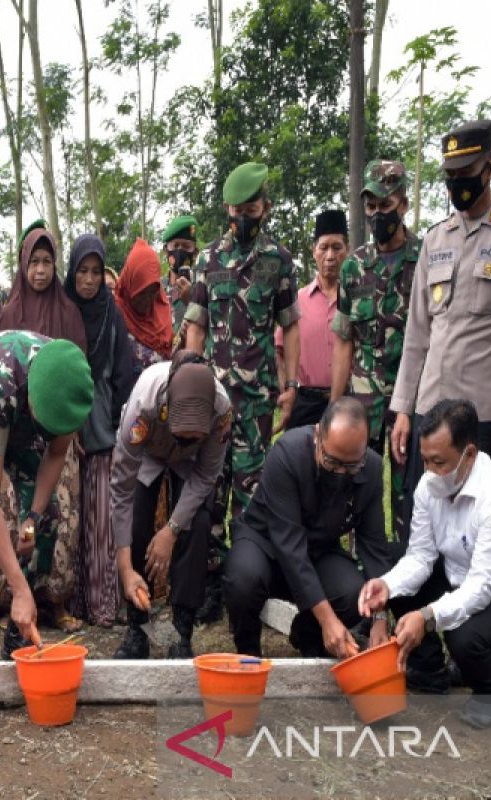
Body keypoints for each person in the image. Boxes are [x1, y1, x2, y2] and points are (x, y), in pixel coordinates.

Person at [389, 120, 491, 523]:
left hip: (483, 412)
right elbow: (417, 332)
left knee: (476, 524)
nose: (457, 183)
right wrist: (404, 409)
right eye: (450, 176)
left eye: (466, 174)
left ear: (489, 170)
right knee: (421, 521)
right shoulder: (435, 240)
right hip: (429, 405)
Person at [358, 399, 491, 729]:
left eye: (439, 462)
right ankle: (431, 669)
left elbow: (483, 586)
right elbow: (420, 557)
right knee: (395, 567)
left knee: (464, 634)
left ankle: (487, 687)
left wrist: (428, 617)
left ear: (469, 454)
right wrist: (386, 585)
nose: (430, 471)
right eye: (426, 460)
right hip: (456, 578)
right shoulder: (430, 487)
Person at [184, 162, 301, 625]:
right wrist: (190, 386)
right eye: (236, 209)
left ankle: (245, 583)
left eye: (251, 208)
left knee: (250, 493)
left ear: (265, 208)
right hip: (213, 399)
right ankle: (210, 581)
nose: (243, 216)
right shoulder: (209, 258)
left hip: (256, 402)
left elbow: (290, 327)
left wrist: (291, 386)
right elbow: (194, 326)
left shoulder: (279, 260)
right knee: (209, 489)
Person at [0, 331, 94, 659]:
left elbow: (55, 455)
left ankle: (17, 638)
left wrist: (32, 520)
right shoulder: (2, 384)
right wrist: (17, 587)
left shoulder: (69, 387)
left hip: (22, 415)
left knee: (49, 518)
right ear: (32, 402)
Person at [223, 398, 394, 658]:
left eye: (351, 466)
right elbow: (289, 547)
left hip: (319, 550)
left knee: (353, 595)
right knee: (243, 579)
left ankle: (308, 635)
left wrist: (381, 616)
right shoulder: (287, 454)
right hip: (265, 543)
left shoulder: (370, 468)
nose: (340, 473)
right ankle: (248, 653)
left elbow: (374, 547)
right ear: (317, 435)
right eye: (332, 462)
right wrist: (328, 619)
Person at [111, 353, 231, 658]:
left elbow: (206, 475)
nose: (186, 438)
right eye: (182, 433)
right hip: (149, 450)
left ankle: (181, 631)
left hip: (192, 464)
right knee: (137, 518)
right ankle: (137, 627)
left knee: (198, 523)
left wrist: (171, 530)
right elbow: (122, 490)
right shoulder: (143, 404)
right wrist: (125, 568)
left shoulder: (222, 411)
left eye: (194, 435)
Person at [0, 228, 87, 633]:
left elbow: (80, 377)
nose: (40, 270)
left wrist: (75, 427)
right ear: (22, 264)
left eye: (47, 262)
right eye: (33, 261)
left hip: (58, 433)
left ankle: (57, 601)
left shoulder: (68, 312)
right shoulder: (8, 312)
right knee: (16, 509)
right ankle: (15, 597)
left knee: (61, 510)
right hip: (17, 432)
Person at [331, 160, 420, 541]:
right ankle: (359, 571)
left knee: (409, 490)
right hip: (363, 398)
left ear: (402, 204)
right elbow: (344, 340)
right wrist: (334, 407)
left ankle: (405, 570)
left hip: (410, 397)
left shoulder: (426, 257)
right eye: (371, 207)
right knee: (359, 485)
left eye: (385, 206)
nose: (377, 215)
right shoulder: (354, 267)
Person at [64, 234, 136, 628]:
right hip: (64, 425)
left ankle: (103, 604)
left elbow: (124, 373)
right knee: (72, 519)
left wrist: (116, 424)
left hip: (103, 422)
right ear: (71, 271)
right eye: (82, 271)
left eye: (95, 272)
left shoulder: (112, 314)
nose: (89, 280)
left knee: (102, 519)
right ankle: (72, 604)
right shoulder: (63, 310)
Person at [276, 210, 348, 430]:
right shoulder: (297, 301)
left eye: (337, 247)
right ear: (314, 251)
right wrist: (287, 390)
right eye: (323, 247)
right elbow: (279, 349)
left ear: (348, 250)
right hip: (304, 403)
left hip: (346, 401)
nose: (330, 256)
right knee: (300, 460)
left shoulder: (356, 301)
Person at [116, 237, 174, 375]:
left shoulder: (164, 310)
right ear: (131, 286)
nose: (148, 300)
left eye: (153, 292)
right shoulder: (115, 316)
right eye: (141, 293)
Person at [160, 215, 199, 335]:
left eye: (186, 246)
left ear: (195, 254)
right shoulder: (156, 288)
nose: (180, 251)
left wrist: (192, 300)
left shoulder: (203, 287)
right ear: (166, 251)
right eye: (175, 246)